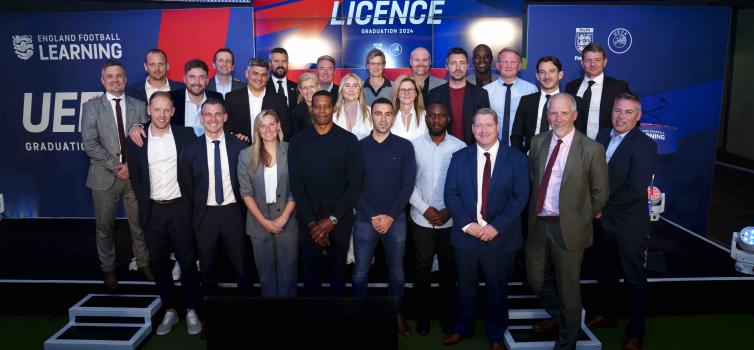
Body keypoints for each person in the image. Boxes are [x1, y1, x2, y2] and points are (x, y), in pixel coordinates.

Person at [526, 93, 609, 350]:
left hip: (570, 229)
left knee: (568, 289)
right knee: (535, 279)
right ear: (547, 115)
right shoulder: (538, 142)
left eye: (564, 113)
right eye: (553, 113)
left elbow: (600, 193)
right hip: (539, 224)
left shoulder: (591, 148)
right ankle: (564, 317)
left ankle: (566, 343)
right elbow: (532, 178)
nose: (558, 118)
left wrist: (580, 216)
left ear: (574, 115)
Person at [442, 108, 529, 350]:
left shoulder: (517, 158)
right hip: (466, 237)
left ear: (497, 126)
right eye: (478, 126)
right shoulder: (460, 157)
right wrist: (468, 225)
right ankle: (462, 328)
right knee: (465, 287)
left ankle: (495, 334)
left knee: (497, 289)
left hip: (501, 238)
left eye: (488, 125)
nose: (483, 130)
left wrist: (496, 227)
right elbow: (451, 194)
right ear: (472, 129)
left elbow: (520, 198)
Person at [126, 91, 201, 336]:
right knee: (160, 265)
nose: (162, 114)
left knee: (188, 263)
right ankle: (170, 309)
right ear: (148, 110)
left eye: (166, 109)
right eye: (156, 109)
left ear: (173, 111)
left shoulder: (186, 135)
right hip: (153, 211)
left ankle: (191, 309)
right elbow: (136, 178)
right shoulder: (137, 138)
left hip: (181, 209)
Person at [589, 92, 657, 350]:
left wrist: (600, 208)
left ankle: (635, 333)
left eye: (628, 112)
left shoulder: (645, 145)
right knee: (605, 274)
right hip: (602, 223)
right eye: (618, 110)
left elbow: (635, 188)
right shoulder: (603, 135)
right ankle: (607, 315)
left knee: (633, 278)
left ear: (638, 117)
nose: (621, 116)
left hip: (628, 225)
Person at [81, 59, 152, 289]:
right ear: (103, 81)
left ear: (126, 78)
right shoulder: (91, 107)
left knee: (139, 224)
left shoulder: (138, 106)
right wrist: (116, 166)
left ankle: (142, 262)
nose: (115, 80)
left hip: (134, 176)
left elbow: (146, 141)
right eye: (110, 76)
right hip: (104, 177)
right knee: (104, 227)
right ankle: (108, 269)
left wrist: (131, 165)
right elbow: (90, 144)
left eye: (119, 75)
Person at [288, 90, 363, 297]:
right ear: (312, 109)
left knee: (338, 274)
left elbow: (354, 184)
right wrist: (314, 225)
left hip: (340, 220)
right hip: (307, 221)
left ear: (334, 108)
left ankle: (337, 321)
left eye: (326, 106)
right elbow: (296, 185)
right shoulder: (298, 141)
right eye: (317, 106)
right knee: (310, 274)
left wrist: (332, 220)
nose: (322, 111)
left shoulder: (349, 140)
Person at [352, 97, 416, 337]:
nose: (383, 118)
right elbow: (354, 186)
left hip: (396, 220)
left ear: (393, 116)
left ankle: (396, 315)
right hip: (364, 220)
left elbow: (407, 185)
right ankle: (358, 315)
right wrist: (372, 216)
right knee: (360, 272)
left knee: (397, 272)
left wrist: (389, 216)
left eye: (388, 114)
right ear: (371, 116)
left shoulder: (404, 146)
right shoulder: (358, 147)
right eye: (378, 113)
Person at [181, 98, 252, 298]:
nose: (213, 119)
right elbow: (187, 187)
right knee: (208, 270)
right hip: (205, 216)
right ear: (201, 118)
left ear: (225, 117)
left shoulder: (240, 147)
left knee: (242, 268)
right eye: (208, 114)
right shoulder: (190, 149)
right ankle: (211, 320)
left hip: (234, 214)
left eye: (218, 114)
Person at [409, 102, 466, 336]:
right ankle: (423, 315)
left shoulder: (460, 147)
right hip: (421, 218)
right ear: (426, 118)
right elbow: (407, 182)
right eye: (431, 115)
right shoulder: (413, 146)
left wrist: (449, 210)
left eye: (441, 116)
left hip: (450, 219)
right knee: (421, 268)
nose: (436, 120)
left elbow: (465, 185)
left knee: (448, 269)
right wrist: (424, 209)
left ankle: (446, 316)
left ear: (448, 119)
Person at [238, 110, 298, 297]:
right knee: (266, 276)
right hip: (258, 222)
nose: (268, 129)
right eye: (262, 125)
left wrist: (284, 218)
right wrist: (264, 222)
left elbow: (297, 189)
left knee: (288, 274)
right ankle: (271, 317)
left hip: (287, 221)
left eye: (272, 124)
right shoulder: (246, 155)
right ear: (257, 129)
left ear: (279, 125)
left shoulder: (291, 150)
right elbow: (246, 192)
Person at [127, 59, 223, 145]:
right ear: (184, 79)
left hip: (210, 152)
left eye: (201, 77)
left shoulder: (217, 97)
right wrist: (136, 126)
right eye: (192, 77)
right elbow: (158, 120)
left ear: (207, 80)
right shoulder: (172, 97)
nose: (197, 82)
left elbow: (224, 124)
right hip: (179, 154)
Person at [511, 56, 583, 154]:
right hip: (531, 158)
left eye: (552, 71)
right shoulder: (527, 101)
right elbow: (516, 135)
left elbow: (581, 134)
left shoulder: (575, 101)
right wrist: (521, 158)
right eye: (542, 72)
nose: (547, 76)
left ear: (560, 75)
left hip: (563, 158)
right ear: (537, 76)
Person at [565, 42, 629, 139]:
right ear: (582, 63)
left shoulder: (618, 87)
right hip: (574, 147)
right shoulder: (571, 87)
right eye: (588, 60)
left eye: (598, 60)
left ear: (605, 62)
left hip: (606, 146)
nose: (593, 64)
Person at [428, 47, 490, 144]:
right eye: (453, 63)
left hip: (471, 151)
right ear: (447, 66)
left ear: (467, 66)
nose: (458, 68)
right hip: (442, 150)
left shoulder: (480, 94)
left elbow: (484, 126)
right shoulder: (434, 94)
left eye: (462, 63)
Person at [225, 58, 290, 142]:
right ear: (246, 74)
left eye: (263, 75)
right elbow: (226, 128)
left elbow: (286, 130)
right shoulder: (232, 98)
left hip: (271, 150)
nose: (259, 78)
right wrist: (235, 137)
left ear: (267, 77)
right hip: (241, 150)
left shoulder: (279, 100)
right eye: (255, 73)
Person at [483, 47, 537, 146]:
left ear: (519, 66)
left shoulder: (531, 90)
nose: (508, 65)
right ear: (498, 65)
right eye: (504, 62)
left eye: (513, 62)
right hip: (492, 146)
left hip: (522, 147)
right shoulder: (486, 91)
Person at [333, 73, 372, 140]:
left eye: (355, 86)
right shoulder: (332, 112)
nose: (351, 89)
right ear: (341, 90)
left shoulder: (371, 112)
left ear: (360, 90)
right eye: (347, 86)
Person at [390, 75, 427, 141]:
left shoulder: (426, 116)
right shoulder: (388, 116)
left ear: (416, 93)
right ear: (397, 94)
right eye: (402, 90)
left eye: (410, 89)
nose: (406, 93)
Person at [289, 72, 317, 136]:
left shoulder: (327, 107)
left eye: (312, 87)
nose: (309, 91)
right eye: (305, 88)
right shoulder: (296, 112)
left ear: (317, 87)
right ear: (300, 91)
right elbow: (297, 138)